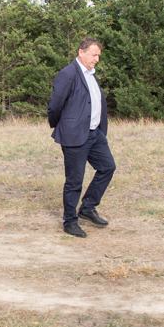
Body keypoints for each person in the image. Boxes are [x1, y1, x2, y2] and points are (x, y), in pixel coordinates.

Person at [47, 38, 116, 238]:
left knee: (107, 167)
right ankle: (70, 221)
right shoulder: (68, 74)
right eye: (94, 55)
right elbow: (55, 105)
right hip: (74, 135)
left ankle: (87, 207)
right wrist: (63, 126)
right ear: (81, 52)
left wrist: (100, 129)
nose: (97, 59)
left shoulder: (91, 75)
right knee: (74, 180)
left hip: (95, 134)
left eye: (98, 56)